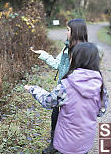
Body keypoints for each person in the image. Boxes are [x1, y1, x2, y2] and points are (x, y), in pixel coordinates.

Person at [24, 42, 108, 154]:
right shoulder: (100, 86)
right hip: (85, 141)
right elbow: (101, 112)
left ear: (76, 59)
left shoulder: (67, 85)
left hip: (66, 141)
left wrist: (33, 89)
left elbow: (48, 102)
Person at [31, 19, 88, 153]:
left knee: (72, 124)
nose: (65, 32)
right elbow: (57, 64)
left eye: (68, 30)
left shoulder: (83, 52)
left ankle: (74, 148)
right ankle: (54, 145)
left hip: (74, 95)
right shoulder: (66, 48)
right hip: (61, 91)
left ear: (76, 32)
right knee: (55, 118)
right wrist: (44, 55)